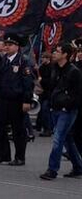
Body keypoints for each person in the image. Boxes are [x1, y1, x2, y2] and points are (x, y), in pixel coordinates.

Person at [40, 43, 82, 180]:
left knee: (58, 139)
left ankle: (52, 169)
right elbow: (52, 87)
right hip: (55, 107)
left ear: (65, 54)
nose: (54, 53)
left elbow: (77, 94)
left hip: (67, 110)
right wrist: (42, 82)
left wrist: (67, 106)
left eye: (57, 51)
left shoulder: (74, 71)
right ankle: (78, 167)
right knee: (67, 139)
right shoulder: (55, 68)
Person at [0, 35, 35, 166]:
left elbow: (28, 82)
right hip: (4, 99)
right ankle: (3, 155)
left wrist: (27, 100)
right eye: (6, 44)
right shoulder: (3, 60)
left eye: (10, 45)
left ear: (17, 46)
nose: (7, 47)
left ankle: (20, 157)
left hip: (17, 100)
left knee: (18, 130)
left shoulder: (23, 61)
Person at [37, 51, 54, 137]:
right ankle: (42, 126)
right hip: (42, 92)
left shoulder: (52, 68)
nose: (42, 59)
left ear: (48, 58)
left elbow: (51, 81)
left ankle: (48, 129)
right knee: (41, 110)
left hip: (49, 93)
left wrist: (42, 80)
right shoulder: (41, 68)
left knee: (45, 109)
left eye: (44, 58)